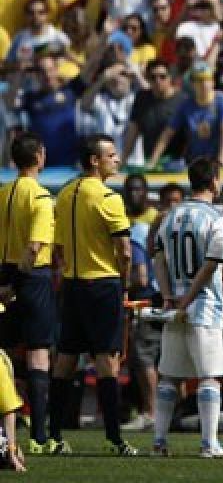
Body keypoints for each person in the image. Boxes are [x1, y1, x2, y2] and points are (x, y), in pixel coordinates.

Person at [46, 134, 135, 456]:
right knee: (107, 359)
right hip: (102, 284)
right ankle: (114, 439)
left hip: (71, 284)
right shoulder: (108, 198)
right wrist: (124, 283)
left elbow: (57, 246)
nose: (117, 159)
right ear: (94, 161)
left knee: (66, 359)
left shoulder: (66, 193)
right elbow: (124, 251)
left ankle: (52, 435)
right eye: (111, 155)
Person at [150, 156, 223, 458]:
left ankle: (159, 441)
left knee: (170, 375)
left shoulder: (171, 215)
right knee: (208, 376)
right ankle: (209, 444)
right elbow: (212, 264)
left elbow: (157, 256)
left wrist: (169, 295)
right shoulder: (216, 218)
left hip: (175, 307)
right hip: (204, 306)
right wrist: (188, 298)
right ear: (213, 181)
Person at [0, 133, 54, 453]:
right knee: (38, 352)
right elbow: (33, 248)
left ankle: (8, 425)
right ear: (39, 157)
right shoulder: (40, 198)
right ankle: (39, 434)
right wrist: (16, 284)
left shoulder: (4, 192)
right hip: (30, 278)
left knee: (4, 352)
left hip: (3, 272)